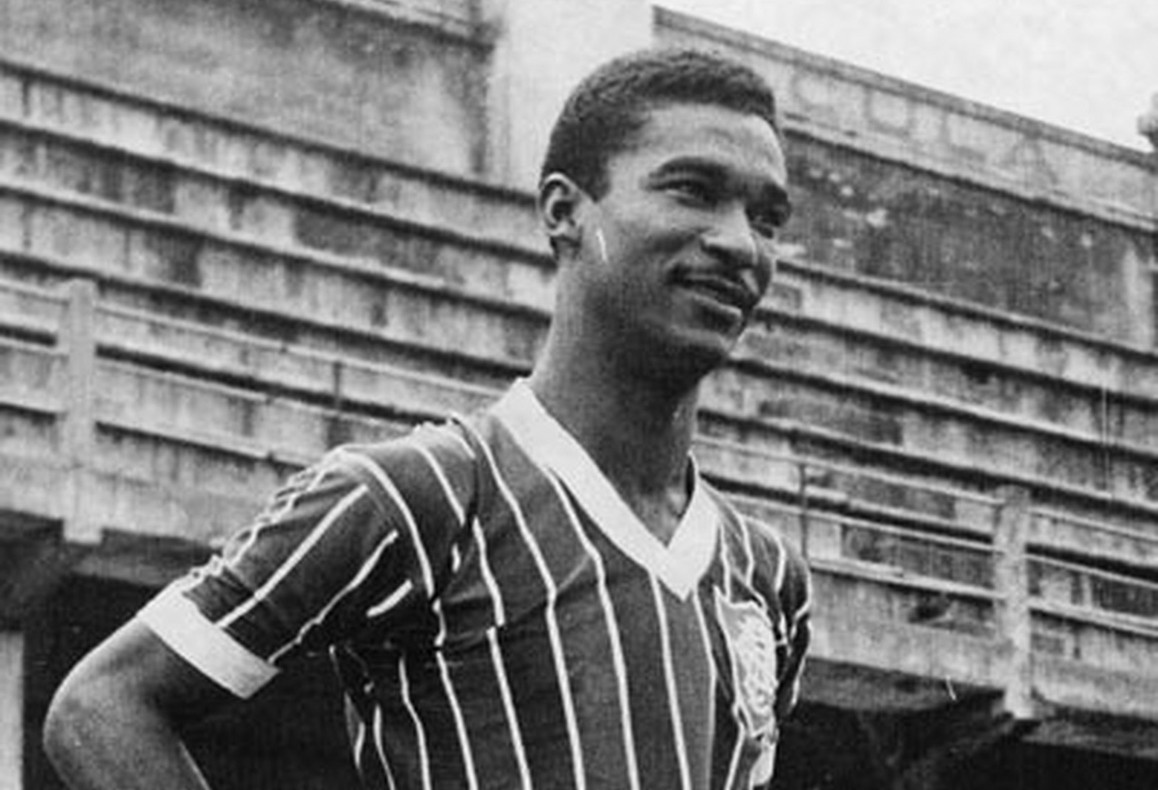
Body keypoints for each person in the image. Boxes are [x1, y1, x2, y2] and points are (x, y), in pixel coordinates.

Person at [43, 47, 811, 790]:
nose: (740, 242)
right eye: (692, 190)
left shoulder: (768, 577)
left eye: (767, 217)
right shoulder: (420, 497)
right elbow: (101, 707)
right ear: (564, 212)